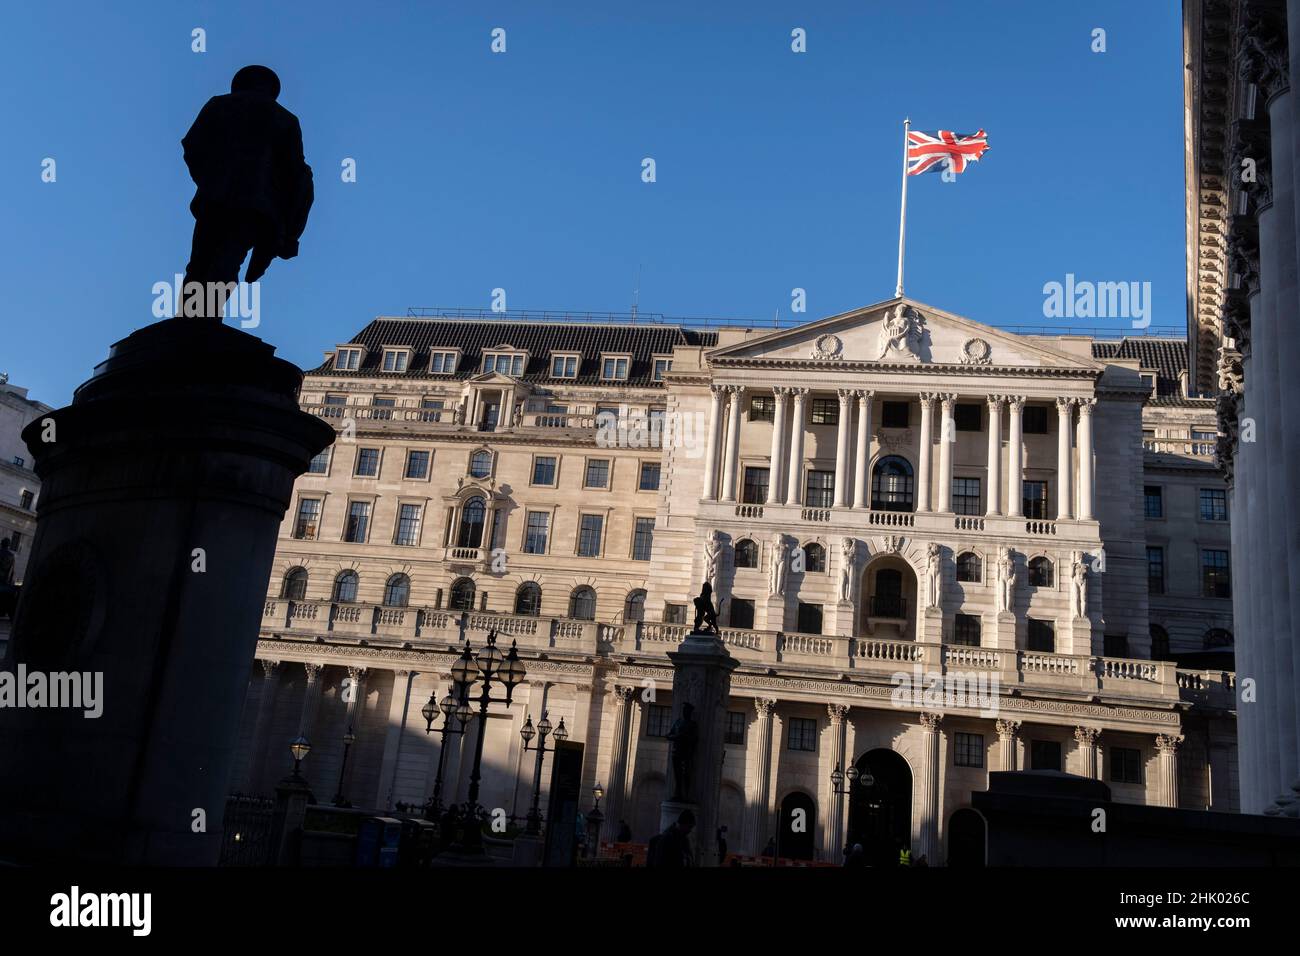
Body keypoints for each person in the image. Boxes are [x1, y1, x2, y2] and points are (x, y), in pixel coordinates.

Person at [180, 65, 314, 318]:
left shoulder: (218, 105)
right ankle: (206, 319)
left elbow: (192, 146)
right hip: (256, 206)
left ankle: (188, 320)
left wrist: (209, 180)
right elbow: (294, 172)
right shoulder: (285, 119)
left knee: (199, 259)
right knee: (228, 260)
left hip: (214, 199)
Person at [0, 539, 15, 619]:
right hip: (5, 581)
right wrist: (10, 581)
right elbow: (12, 570)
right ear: (9, 545)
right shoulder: (11, 556)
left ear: (1, 544)